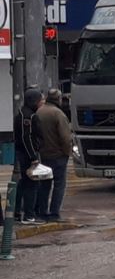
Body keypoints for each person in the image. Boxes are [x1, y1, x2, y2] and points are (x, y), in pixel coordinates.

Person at [36, 89, 73, 222]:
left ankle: (42, 211)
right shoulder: (58, 114)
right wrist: (67, 152)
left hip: (43, 155)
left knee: (44, 185)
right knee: (59, 185)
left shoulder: (39, 112)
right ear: (58, 99)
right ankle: (54, 213)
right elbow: (65, 138)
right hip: (57, 155)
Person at [13, 89, 45, 225]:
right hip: (28, 155)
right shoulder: (29, 117)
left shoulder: (21, 113)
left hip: (23, 153)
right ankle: (29, 215)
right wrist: (33, 157)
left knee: (23, 183)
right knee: (32, 184)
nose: (42, 102)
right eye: (40, 100)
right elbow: (27, 138)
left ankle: (16, 212)